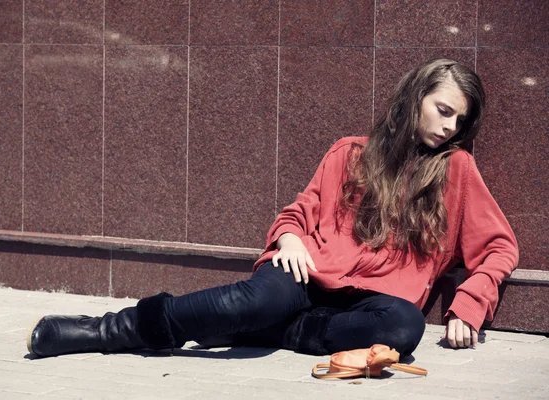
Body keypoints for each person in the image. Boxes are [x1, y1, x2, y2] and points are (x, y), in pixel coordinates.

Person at [27, 58, 518, 359]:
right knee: (254, 299)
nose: (450, 127)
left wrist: (470, 307)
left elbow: (498, 247)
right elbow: (299, 212)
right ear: (416, 98)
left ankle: (271, 334)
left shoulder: (457, 172)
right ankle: (110, 331)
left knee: (403, 329)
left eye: (460, 120)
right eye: (443, 109)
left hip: (375, 300)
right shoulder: (350, 153)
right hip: (308, 273)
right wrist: (287, 238)